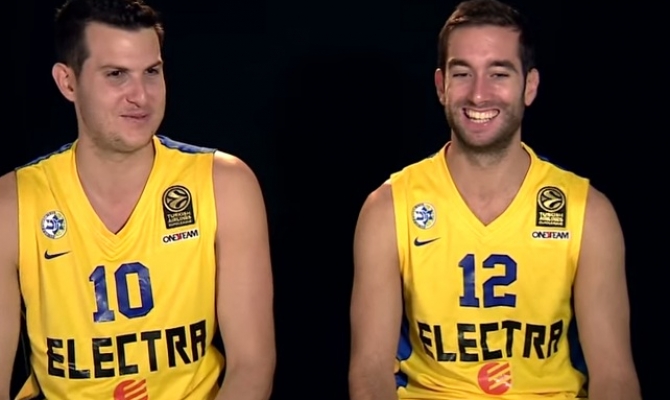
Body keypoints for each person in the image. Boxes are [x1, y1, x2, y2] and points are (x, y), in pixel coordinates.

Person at [348, 0, 640, 399]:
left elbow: (615, 377)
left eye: (498, 73)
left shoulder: (587, 211)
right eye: (462, 73)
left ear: (529, 86)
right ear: (441, 86)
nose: (479, 94)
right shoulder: (388, 209)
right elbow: (369, 373)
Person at [0, 0, 275, 399]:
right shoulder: (13, 203)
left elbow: (252, 365)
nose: (141, 96)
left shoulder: (223, 184)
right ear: (68, 82)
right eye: (116, 75)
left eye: (152, 72)